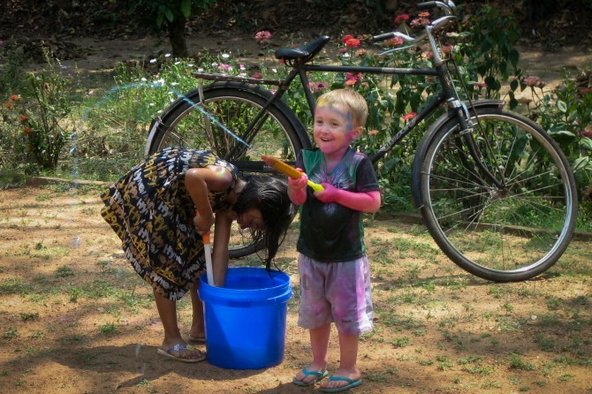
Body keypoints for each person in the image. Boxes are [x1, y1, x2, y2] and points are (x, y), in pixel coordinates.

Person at [100, 147, 293, 362]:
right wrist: (205, 213)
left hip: (179, 203)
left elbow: (219, 253)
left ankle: (201, 327)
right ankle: (171, 340)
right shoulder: (224, 179)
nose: (248, 228)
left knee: (201, 260)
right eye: (255, 221)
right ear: (258, 201)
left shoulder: (230, 206)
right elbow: (193, 177)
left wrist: (218, 299)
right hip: (153, 189)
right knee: (167, 264)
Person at [288, 89, 381, 392]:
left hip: (346, 257)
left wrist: (337, 194)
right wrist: (296, 186)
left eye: (333, 124)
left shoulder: (358, 163)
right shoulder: (307, 157)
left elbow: (372, 202)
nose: (323, 130)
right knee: (315, 312)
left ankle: (349, 368)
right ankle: (318, 363)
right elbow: (299, 200)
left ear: (354, 132)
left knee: (346, 314)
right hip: (312, 253)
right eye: (319, 122)